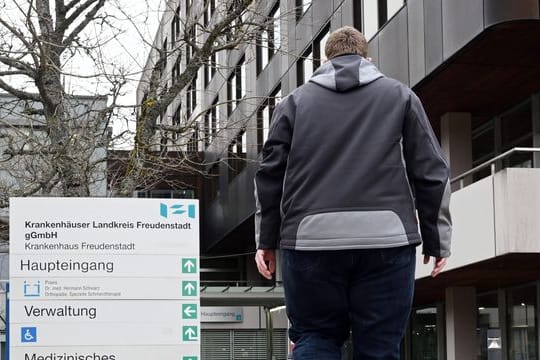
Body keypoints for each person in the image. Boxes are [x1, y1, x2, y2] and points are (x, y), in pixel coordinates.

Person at [254, 26, 451, 359]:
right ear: (367, 57)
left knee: (314, 337)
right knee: (379, 347)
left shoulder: (293, 103)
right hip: (386, 241)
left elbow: (270, 174)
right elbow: (430, 171)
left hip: (310, 240)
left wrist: (265, 240)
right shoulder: (400, 96)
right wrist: (436, 238)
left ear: (325, 59)